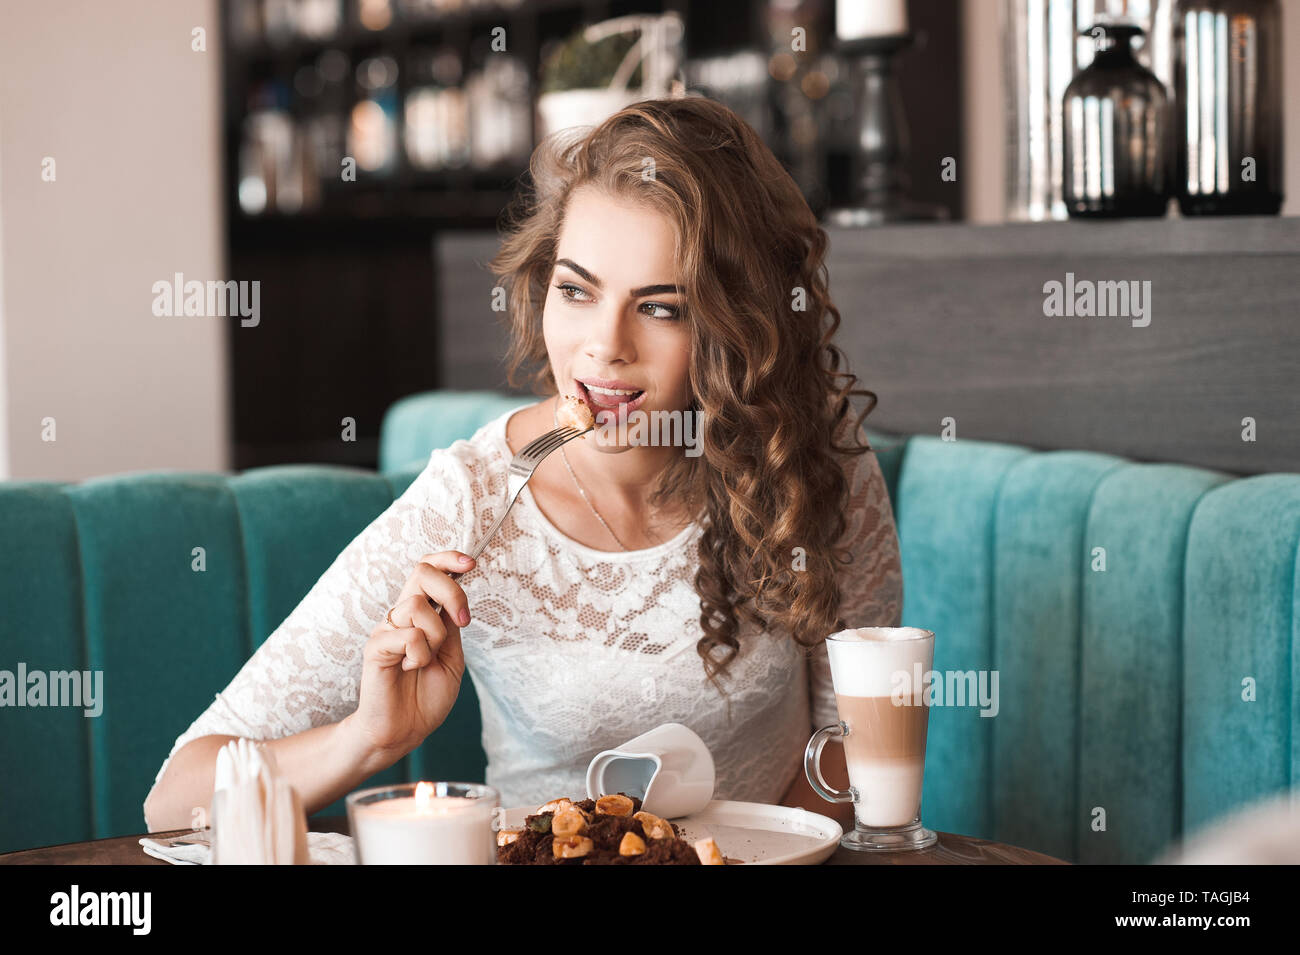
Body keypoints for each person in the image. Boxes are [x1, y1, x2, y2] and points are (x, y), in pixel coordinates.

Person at [143, 96, 902, 832]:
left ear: (742, 324)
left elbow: (856, 733)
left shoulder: (806, 448)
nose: (605, 346)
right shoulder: (471, 503)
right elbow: (178, 796)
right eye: (576, 291)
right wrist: (370, 738)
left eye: (661, 306)